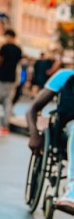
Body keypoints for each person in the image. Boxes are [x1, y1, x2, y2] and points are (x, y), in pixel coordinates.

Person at [27, 66, 74, 210]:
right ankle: (72, 189)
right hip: (68, 129)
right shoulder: (66, 76)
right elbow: (33, 109)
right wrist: (35, 134)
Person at [0, 28, 22, 135]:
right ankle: (6, 126)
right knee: (7, 102)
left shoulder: (4, 47)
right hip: (12, 79)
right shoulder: (18, 49)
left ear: (7, 36)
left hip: (1, 78)